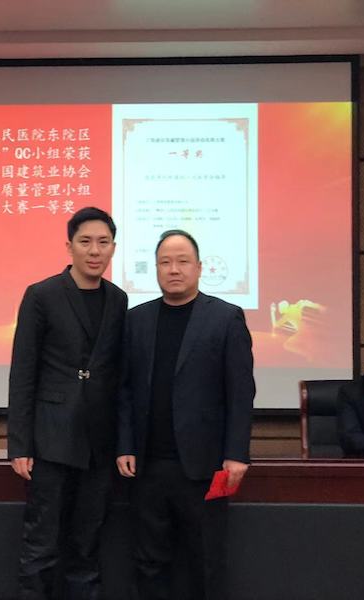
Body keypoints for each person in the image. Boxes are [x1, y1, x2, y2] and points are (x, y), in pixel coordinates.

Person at [116, 229, 255, 600]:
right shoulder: (136, 320)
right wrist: (125, 444)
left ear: (199, 267)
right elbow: (124, 389)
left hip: (203, 467)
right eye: (165, 262)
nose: (173, 269)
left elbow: (241, 393)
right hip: (148, 466)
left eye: (182, 262)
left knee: (205, 561)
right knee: (148, 563)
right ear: (156, 268)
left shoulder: (225, 318)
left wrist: (236, 453)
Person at [8, 207, 128, 600]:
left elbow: (118, 375)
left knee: (87, 546)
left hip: (99, 444)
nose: (95, 250)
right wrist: (20, 445)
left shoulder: (118, 299)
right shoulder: (41, 295)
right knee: (41, 545)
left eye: (104, 242)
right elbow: (23, 374)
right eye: (86, 241)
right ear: (69, 246)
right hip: (51, 440)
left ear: (113, 248)